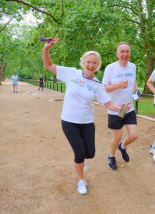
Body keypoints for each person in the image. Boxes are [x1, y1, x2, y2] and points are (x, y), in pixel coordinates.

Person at [42, 35, 129, 195]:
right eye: (88, 62)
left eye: (94, 63)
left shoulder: (98, 84)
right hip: (69, 121)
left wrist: (123, 109)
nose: (91, 65)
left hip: (87, 122)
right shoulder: (71, 73)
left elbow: (109, 104)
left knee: (91, 153)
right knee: (80, 153)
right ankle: (81, 179)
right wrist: (46, 48)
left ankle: (81, 161)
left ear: (97, 66)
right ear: (83, 62)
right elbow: (48, 64)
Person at [102, 42, 140, 170]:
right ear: (117, 54)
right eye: (122, 52)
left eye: (127, 52)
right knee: (117, 136)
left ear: (130, 54)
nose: (125, 54)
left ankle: (122, 147)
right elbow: (103, 88)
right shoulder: (110, 68)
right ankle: (111, 157)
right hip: (116, 108)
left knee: (134, 135)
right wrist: (118, 85)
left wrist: (136, 91)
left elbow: (133, 80)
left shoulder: (133, 66)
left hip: (128, 108)